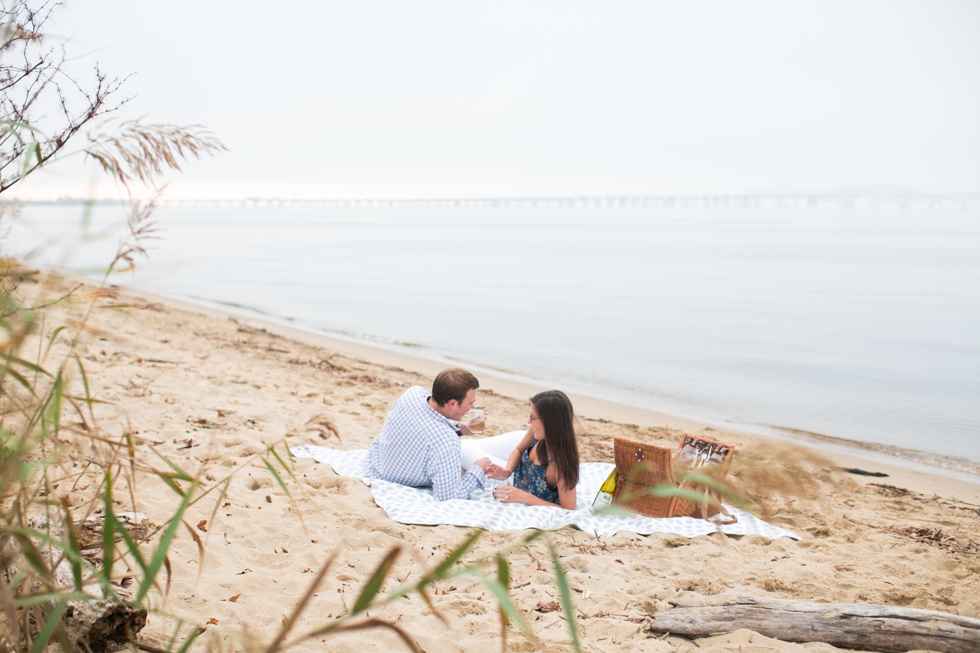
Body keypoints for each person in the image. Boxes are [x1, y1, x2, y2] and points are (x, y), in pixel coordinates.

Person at [364, 368, 491, 500]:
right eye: (470, 403)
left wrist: (459, 429)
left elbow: (421, 427)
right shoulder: (446, 439)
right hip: (399, 479)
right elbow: (448, 496)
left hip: (378, 466)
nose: (472, 407)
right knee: (478, 461)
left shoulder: (412, 393)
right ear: (452, 403)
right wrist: (478, 468)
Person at [474, 390, 580, 510]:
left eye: (533, 417)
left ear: (549, 422)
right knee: (469, 447)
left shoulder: (561, 465)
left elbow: (568, 508)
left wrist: (525, 497)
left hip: (526, 496)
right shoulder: (536, 433)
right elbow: (518, 450)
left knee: (467, 449)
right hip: (514, 441)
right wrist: (507, 471)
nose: (529, 421)